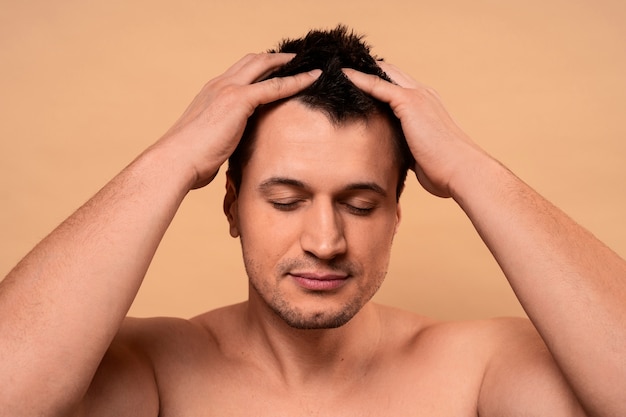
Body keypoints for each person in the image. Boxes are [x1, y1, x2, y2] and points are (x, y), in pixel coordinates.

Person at [0, 25, 624, 417]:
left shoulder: (474, 372)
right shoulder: (159, 372)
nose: (325, 241)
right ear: (231, 207)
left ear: (396, 215)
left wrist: (469, 168)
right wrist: (174, 158)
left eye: (360, 204)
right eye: (286, 200)